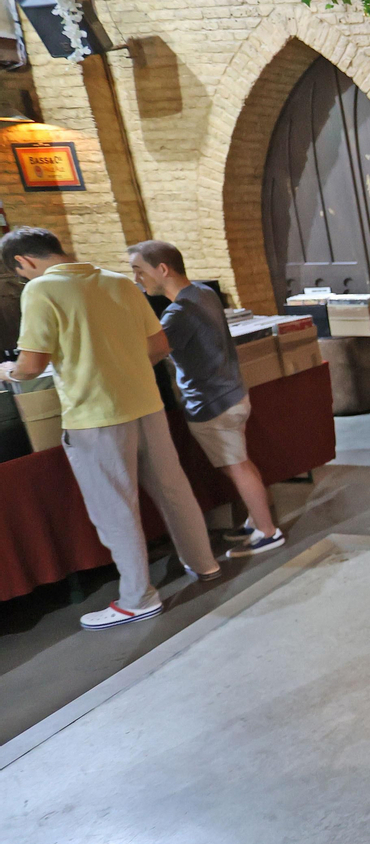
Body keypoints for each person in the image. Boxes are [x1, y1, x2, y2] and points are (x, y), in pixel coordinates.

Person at [0, 227, 222, 630]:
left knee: (115, 508)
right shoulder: (119, 281)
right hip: (147, 406)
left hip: (95, 417)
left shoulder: (40, 291)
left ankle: (138, 598)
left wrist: (11, 370)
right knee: (174, 489)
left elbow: (31, 366)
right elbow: (159, 347)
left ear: (23, 262)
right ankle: (205, 564)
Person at [128, 240, 284, 558]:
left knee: (236, 465)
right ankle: (257, 520)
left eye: (138, 271)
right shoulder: (203, 292)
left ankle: (268, 531)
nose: (136, 280)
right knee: (239, 463)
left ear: (162, 269)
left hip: (212, 402)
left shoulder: (179, 314)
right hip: (231, 392)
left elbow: (146, 357)